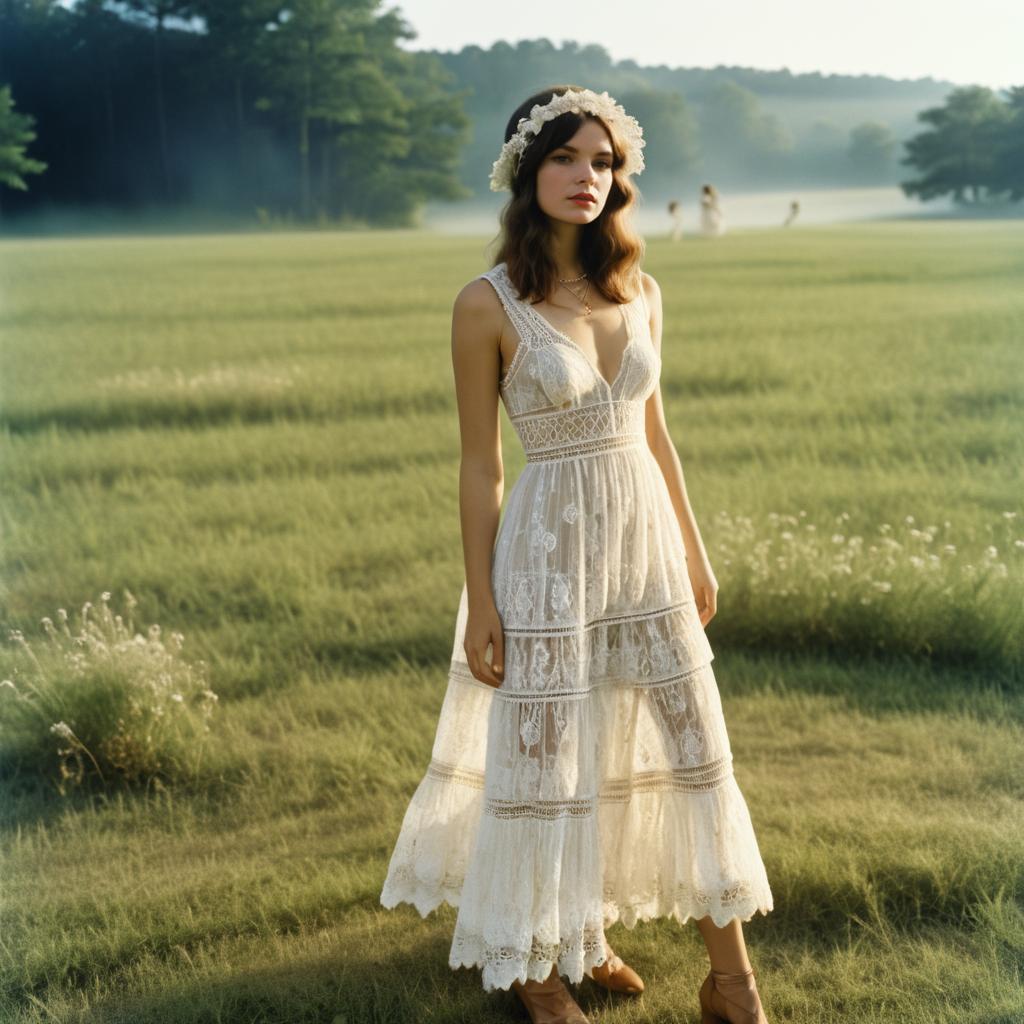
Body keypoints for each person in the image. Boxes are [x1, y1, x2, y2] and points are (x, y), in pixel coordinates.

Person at [380, 84, 773, 1024]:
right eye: (565, 157)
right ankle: (538, 966)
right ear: (526, 169)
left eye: (603, 162)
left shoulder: (641, 291)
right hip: (548, 556)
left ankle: (732, 984)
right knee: (548, 758)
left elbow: (657, 434)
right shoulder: (486, 306)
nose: (586, 177)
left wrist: (695, 549)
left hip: (642, 548)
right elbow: (482, 467)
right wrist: (482, 602)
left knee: (691, 746)